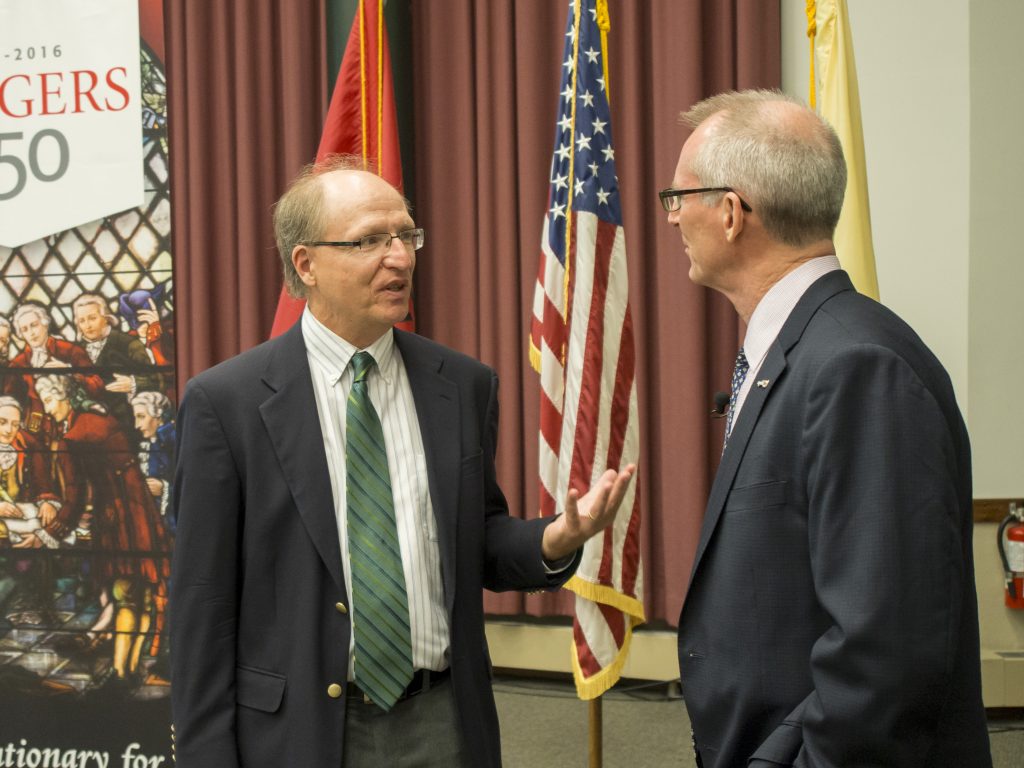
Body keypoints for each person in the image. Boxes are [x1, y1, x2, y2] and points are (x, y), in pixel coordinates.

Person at [170, 155, 635, 768]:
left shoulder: (462, 385)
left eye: (405, 235)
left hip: (441, 720)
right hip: (298, 732)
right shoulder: (226, 403)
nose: (400, 257)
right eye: (369, 241)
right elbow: (202, 604)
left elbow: (476, 540)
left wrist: (554, 539)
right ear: (305, 263)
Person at [664, 90, 990, 768]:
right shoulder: (804, 349)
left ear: (729, 213)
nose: (672, 217)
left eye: (679, 196)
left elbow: (884, 659)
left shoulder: (857, 365)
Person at [72, 292, 164, 428]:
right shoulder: (74, 351)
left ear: (106, 318)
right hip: (89, 425)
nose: (87, 325)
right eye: (82, 321)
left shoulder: (129, 344)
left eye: (92, 318)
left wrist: (133, 384)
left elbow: (157, 380)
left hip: (125, 424)